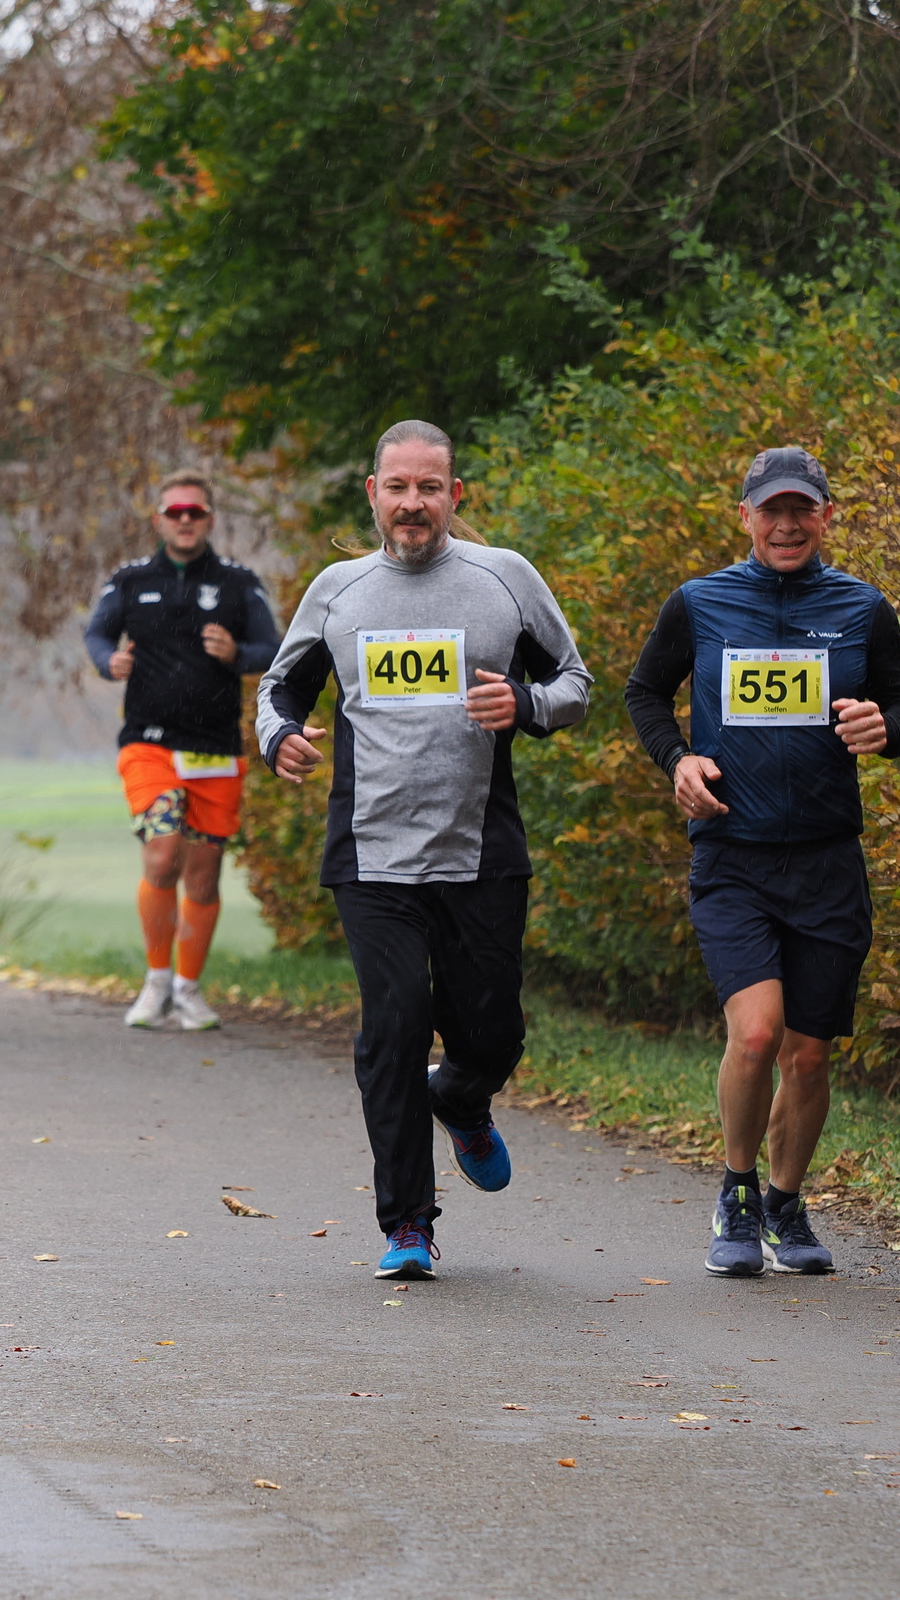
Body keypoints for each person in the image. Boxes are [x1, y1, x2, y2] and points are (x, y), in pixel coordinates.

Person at [255, 420, 592, 1281]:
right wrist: (280, 737)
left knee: (494, 1030)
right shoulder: (338, 591)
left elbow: (575, 683)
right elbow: (279, 690)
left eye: (429, 488)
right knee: (395, 1026)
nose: (413, 504)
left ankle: (463, 1098)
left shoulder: (504, 579)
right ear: (373, 494)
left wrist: (524, 705)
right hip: (372, 855)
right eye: (398, 487)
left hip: (480, 850)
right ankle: (407, 1221)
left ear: (454, 495)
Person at [623, 446, 900, 1279]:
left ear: (827, 516)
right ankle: (737, 1191)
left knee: (809, 1055)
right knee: (757, 1033)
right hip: (734, 856)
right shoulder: (700, 602)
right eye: (771, 510)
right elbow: (645, 693)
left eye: (802, 510)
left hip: (827, 861)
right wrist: (678, 759)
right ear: (746, 517)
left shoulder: (864, 608)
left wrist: (886, 728)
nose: (787, 525)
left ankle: (787, 1204)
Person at [84, 470, 279, 1030]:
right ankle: (155, 980)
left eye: (195, 512)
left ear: (210, 519)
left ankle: (188, 989)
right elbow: (96, 634)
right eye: (175, 512)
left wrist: (237, 654)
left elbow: (273, 647)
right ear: (159, 520)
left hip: (216, 749)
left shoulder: (238, 583)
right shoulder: (130, 580)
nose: (185, 520)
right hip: (149, 744)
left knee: (203, 875)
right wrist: (108, 662)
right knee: (163, 852)